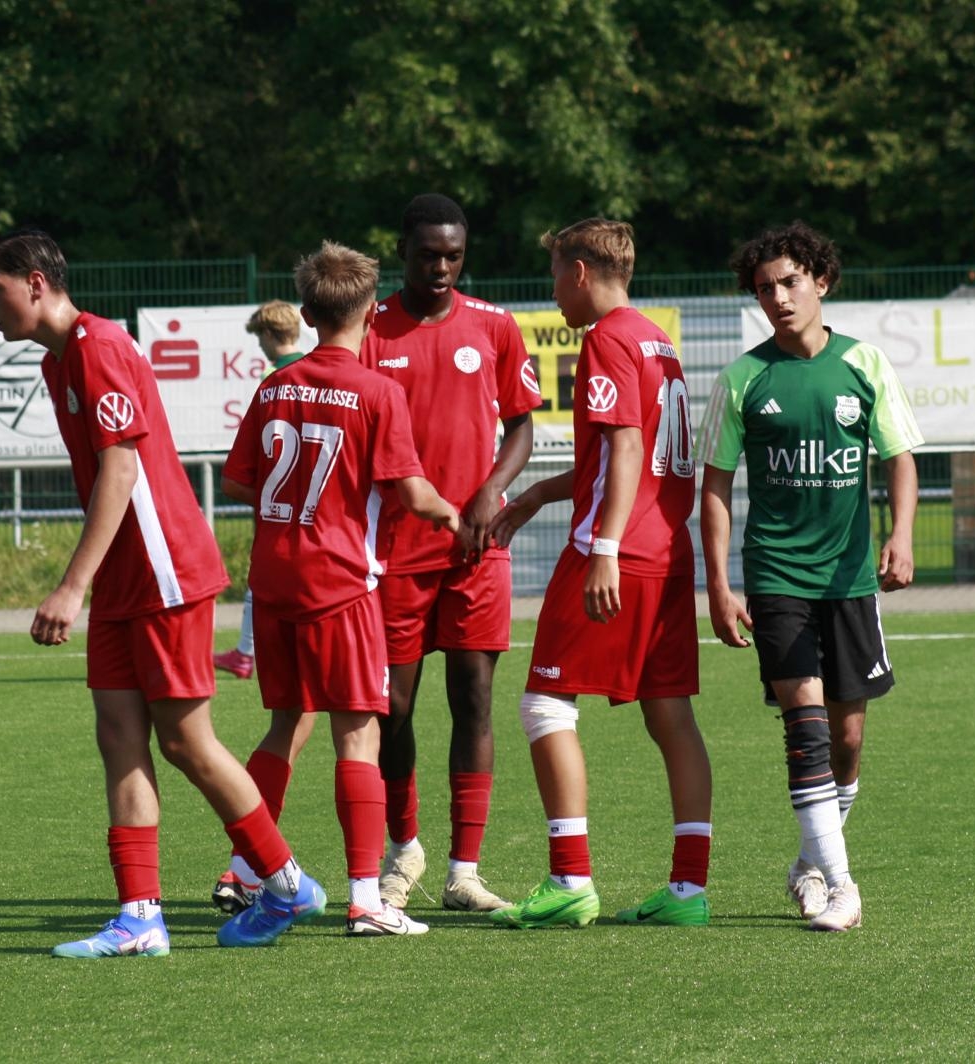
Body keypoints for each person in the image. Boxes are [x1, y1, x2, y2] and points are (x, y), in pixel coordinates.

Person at [0, 228, 325, 956]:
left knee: (186, 742)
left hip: (164, 572)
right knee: (118, 737)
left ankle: (287, 883)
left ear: (35, 284)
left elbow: (123, 469)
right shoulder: (60, 359)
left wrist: (71, 586)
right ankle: (140, 918)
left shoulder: (98, 347)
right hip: (124, 577)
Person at [222, 239, 459, 938]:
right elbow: (411, 492)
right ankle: (366, 901)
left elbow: (238, 480)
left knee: (283, 725)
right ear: (371, 313)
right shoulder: (377, 390)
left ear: (306, 313)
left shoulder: (275, 386)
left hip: (275, 582)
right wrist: (451, 513)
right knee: (358, 733)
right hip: (340, 585)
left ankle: (250, 871)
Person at [486, 219, 714, 930]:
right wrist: (535, 494)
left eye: (556, 274)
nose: (553, 291)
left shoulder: (608, 339)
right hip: (667, 551)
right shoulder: (655, 339)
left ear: (580, 272)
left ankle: (570, 879)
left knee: (545, 705)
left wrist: (606, 547)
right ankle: (688, 891)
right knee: (670, 714)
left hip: (614, 552)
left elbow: (627, 447)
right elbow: (617, 460)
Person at [698, 220, 923, 933]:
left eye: (790, 281)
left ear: (821, 281)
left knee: (847, 737)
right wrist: (718, 585)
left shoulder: (864, 363)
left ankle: (810, 863)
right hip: (776, 576)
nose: (778, 297)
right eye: (765, 288)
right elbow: (714, 488)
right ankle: (845, 887)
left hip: (849, 580)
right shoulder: (742, 380)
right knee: (807, 728)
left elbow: (900, 458)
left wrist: (902, 535)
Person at [359, 193, 542, 914]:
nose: (441, 267)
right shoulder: (370, 329)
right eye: (428, 254)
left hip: (476, 548)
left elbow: (521, 425)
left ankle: (464, 871)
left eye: (453, 256)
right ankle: (404, 847)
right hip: (394, 551)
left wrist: (491, 489)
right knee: (392, 709)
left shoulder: (494, 326)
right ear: (402, 250)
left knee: (473, 699)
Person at [213, 300, 309, 681]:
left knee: (267, 571)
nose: (260, 346)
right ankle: (250, 650)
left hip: (278, 496)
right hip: (311, 494)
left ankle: (246, 652)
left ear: (269, 335)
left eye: (259, 339)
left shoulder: (274, 377)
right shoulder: (315, 367)